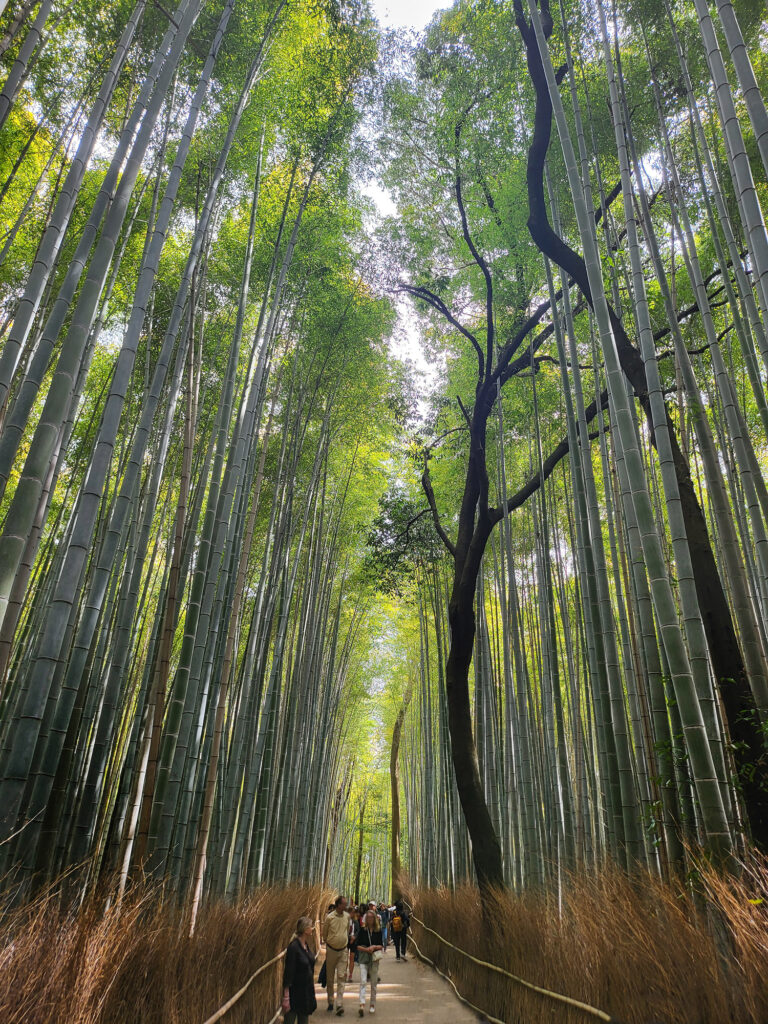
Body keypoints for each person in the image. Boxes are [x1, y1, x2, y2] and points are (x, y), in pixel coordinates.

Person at [282, 916, 317, 1024]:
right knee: (290, 1020)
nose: (312, 929)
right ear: (305, 929)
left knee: (304, 1020)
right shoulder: (294, 947)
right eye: (310, 927)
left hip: (306, 992)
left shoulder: (306, 945)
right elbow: (288, 973)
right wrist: (286, 997)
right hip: (295, 993)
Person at [322, 896, 350, 1016]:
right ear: (338, 905)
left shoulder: (347, 916)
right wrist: (331, 941)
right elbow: (325, 934)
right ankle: (330, 1001)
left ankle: (339, 1003)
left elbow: (347, 930)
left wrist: (343, 940)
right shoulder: (330, 918)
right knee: (330, 977)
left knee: (341, 977)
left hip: (343, 950)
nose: (345, 906)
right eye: (344, 904)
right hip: (331, 950)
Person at [354, 907, 383, 1016]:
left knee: (374, 983)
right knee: (363, 981)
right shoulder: (362, 930)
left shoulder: (378, 931)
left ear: (375, 918)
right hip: (363, 958)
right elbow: (357, 946)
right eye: (368, 917)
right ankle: (362, 1003)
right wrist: (366, 949)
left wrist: (374, 946)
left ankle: (372, 1004)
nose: (370, 919)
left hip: (374, 959)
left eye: (372, 917)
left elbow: (381, 946)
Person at [347, 906, 361, 982]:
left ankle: (350, 975)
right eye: (349, 912)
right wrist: (349, 938)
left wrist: (354, 937)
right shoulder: (345, 921)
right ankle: (344, 974)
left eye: (352, 912)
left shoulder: (356, 921)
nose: (351, 914)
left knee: (352, 958)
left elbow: (358, 931)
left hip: (353, 942)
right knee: (344, 958)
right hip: (346, 941)